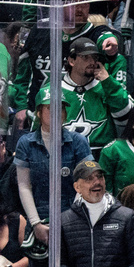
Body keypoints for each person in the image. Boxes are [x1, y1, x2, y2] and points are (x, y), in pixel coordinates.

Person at [15, 87, 92, 238]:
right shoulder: (25, 143)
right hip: (38, 214)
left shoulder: (78, 142)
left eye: (61, 108)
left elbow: (86, 181)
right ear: (39, 112)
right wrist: (36, 223)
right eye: (50, 108)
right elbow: (24, 185)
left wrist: (71, 219)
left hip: (73, 214)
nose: (57, 112)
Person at [60, 37, 134, 155]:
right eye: (85, 57)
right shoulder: (53, 90)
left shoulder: (106, 86)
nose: (92, 62)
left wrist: (108, 82)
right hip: (64, 153)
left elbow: (126, 114)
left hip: (102, 154)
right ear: (71, 61)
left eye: (94, 58)